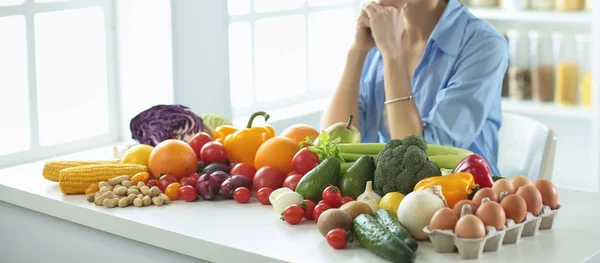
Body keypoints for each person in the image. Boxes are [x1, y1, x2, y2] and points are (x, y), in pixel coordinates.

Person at [320, 0, 508, 176]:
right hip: (391, 198)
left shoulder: (484, 44)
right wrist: (357, 52)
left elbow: (420, 162)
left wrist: (392, 53)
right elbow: (332, 147)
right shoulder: (382, 32)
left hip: (466, 198)